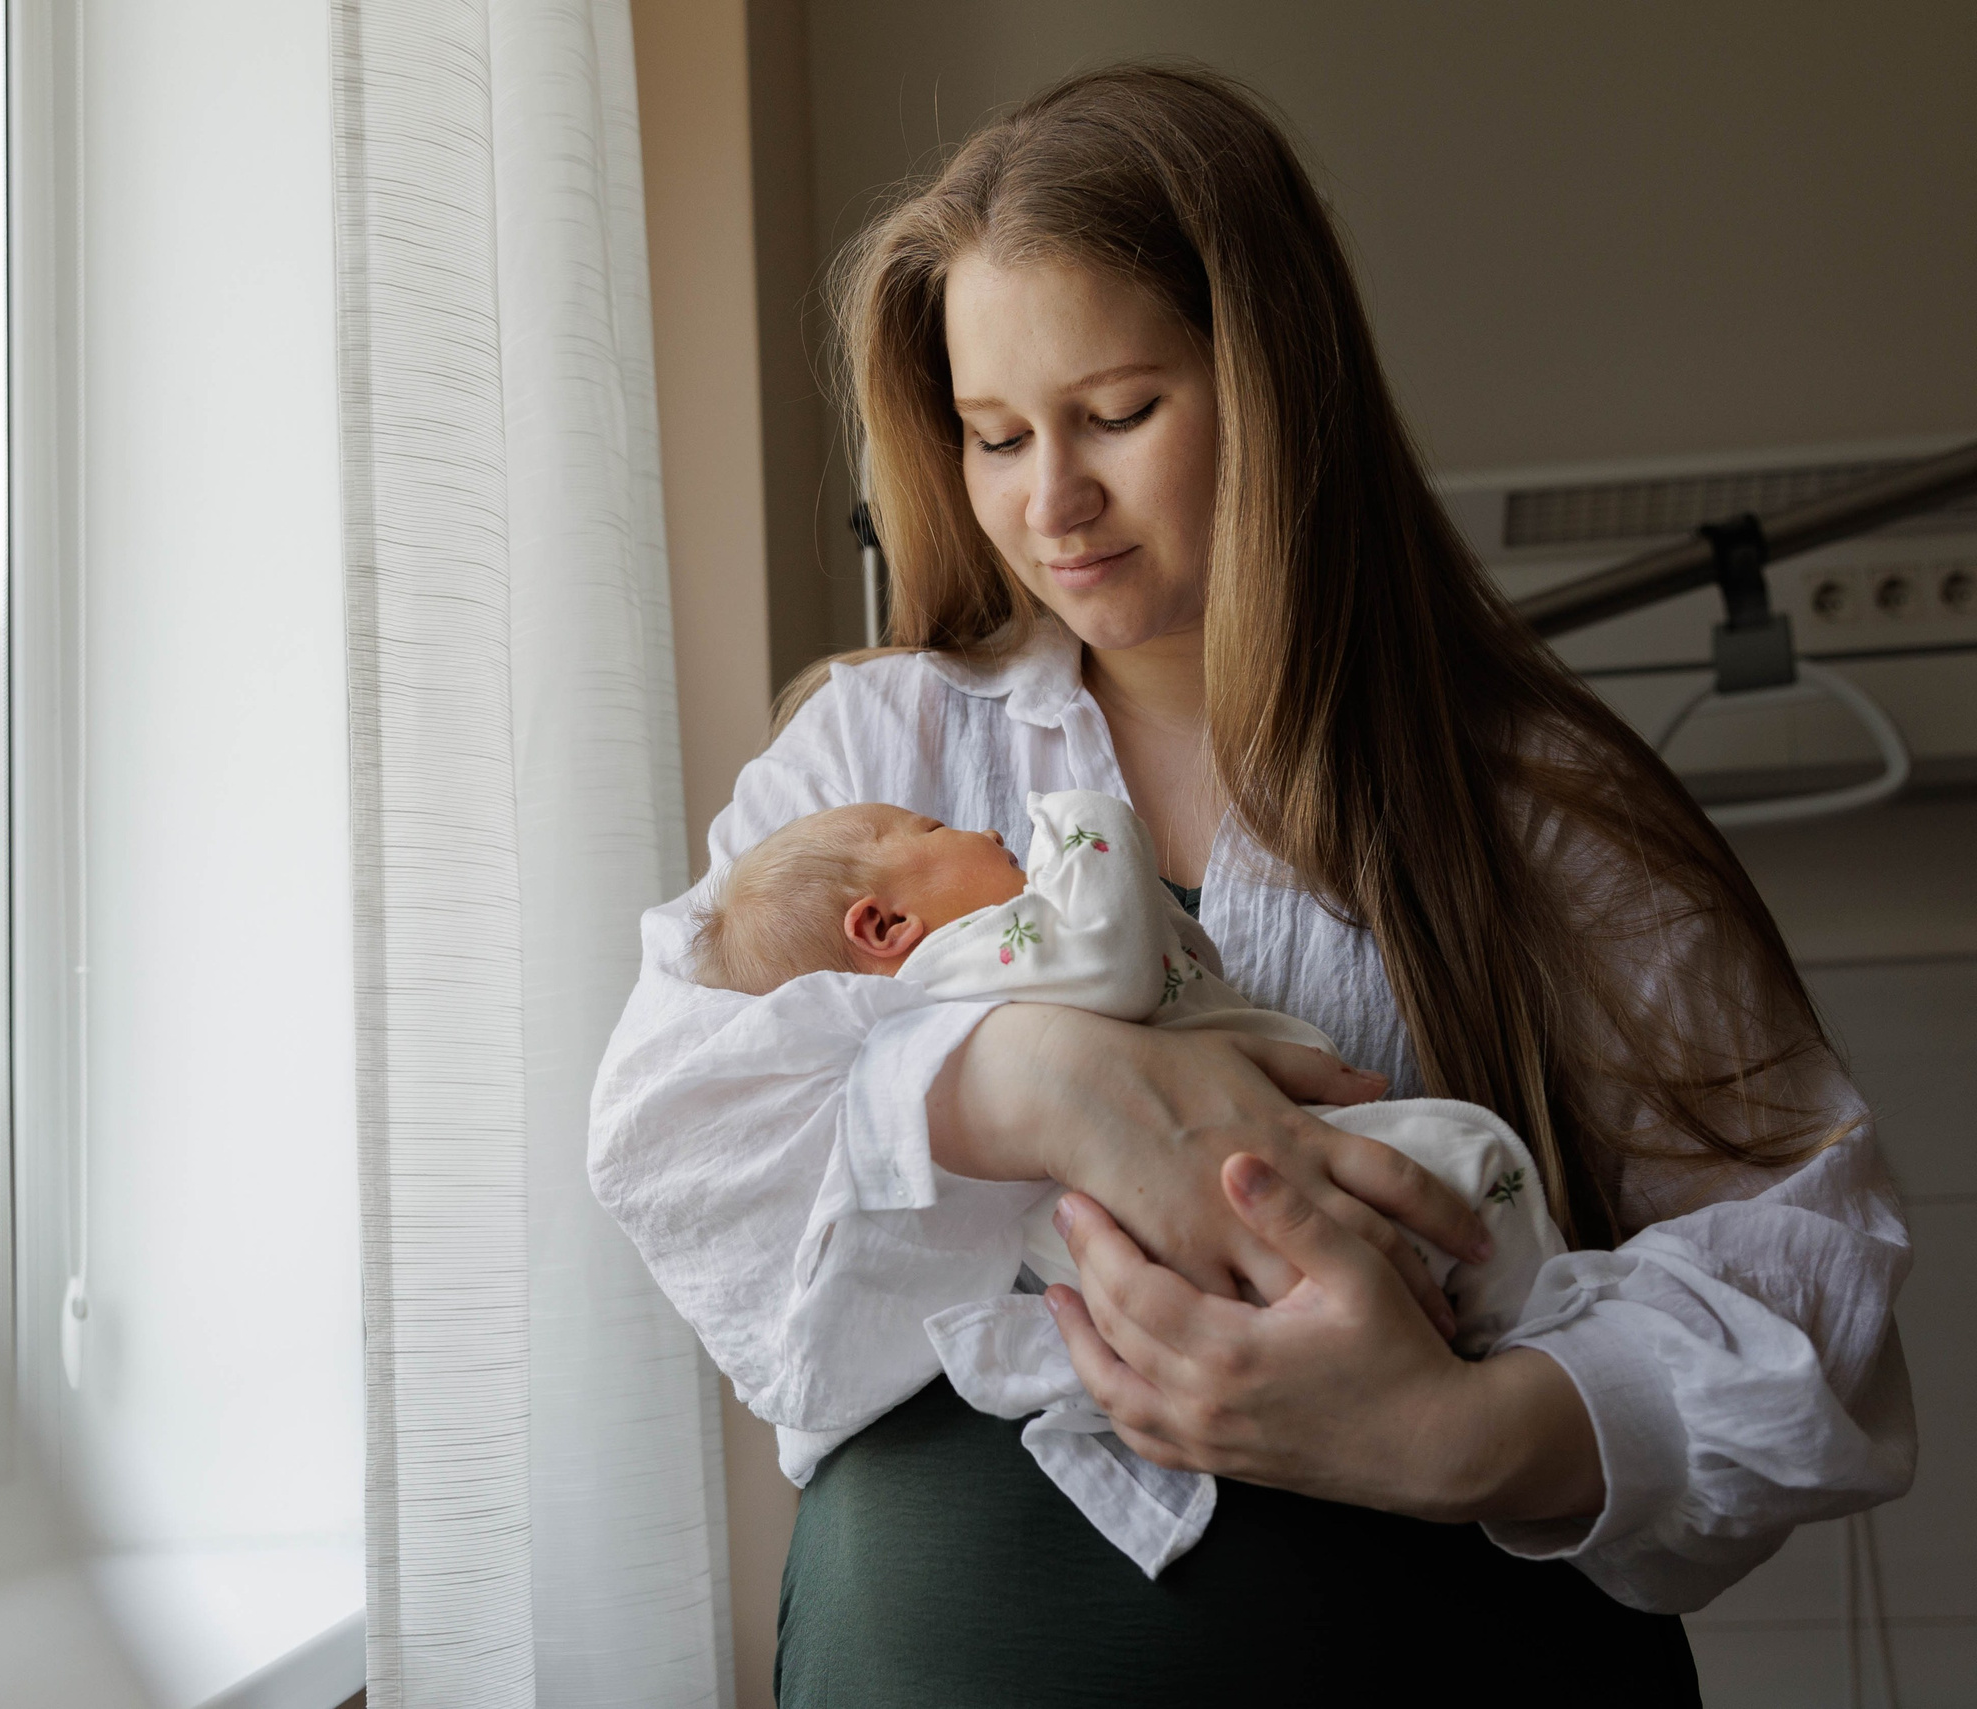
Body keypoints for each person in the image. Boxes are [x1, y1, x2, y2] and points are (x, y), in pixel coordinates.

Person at [587, 63, 1913, 1707]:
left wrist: (1454, 1430)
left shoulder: (1533, 809)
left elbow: (1813, 1291)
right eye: (995, 436)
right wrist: (1018, 1075)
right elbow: (667, 1127)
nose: (1049, 502)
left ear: (1277, 384)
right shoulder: (880, 752)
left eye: (1118, 413)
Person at [686, 786, 1565, 1579]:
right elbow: (1116, 956)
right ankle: (1534, 1331)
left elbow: (1174, 957)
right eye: (934, 827)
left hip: (1185, 1253)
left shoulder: (969, 1000)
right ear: (885, 928)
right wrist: (1087, 817)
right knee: (1471, 1166)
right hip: (1242, 1202)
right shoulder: (966, 964)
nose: (982, 823)